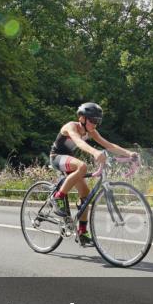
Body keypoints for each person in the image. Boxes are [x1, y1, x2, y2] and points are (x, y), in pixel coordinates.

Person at [49, 102, 137, 246]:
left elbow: (108, 145)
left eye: (97, 121)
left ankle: (82, 232)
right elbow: (78, 143)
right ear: (82, 118)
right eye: (92, 120)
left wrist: (129, 153)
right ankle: (57, 197)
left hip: (70, 161)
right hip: (57, 157)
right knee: (83, 166)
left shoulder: (91, 131)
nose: (95, 124)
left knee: (86, 195)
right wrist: (95, 152)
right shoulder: (71, 126)